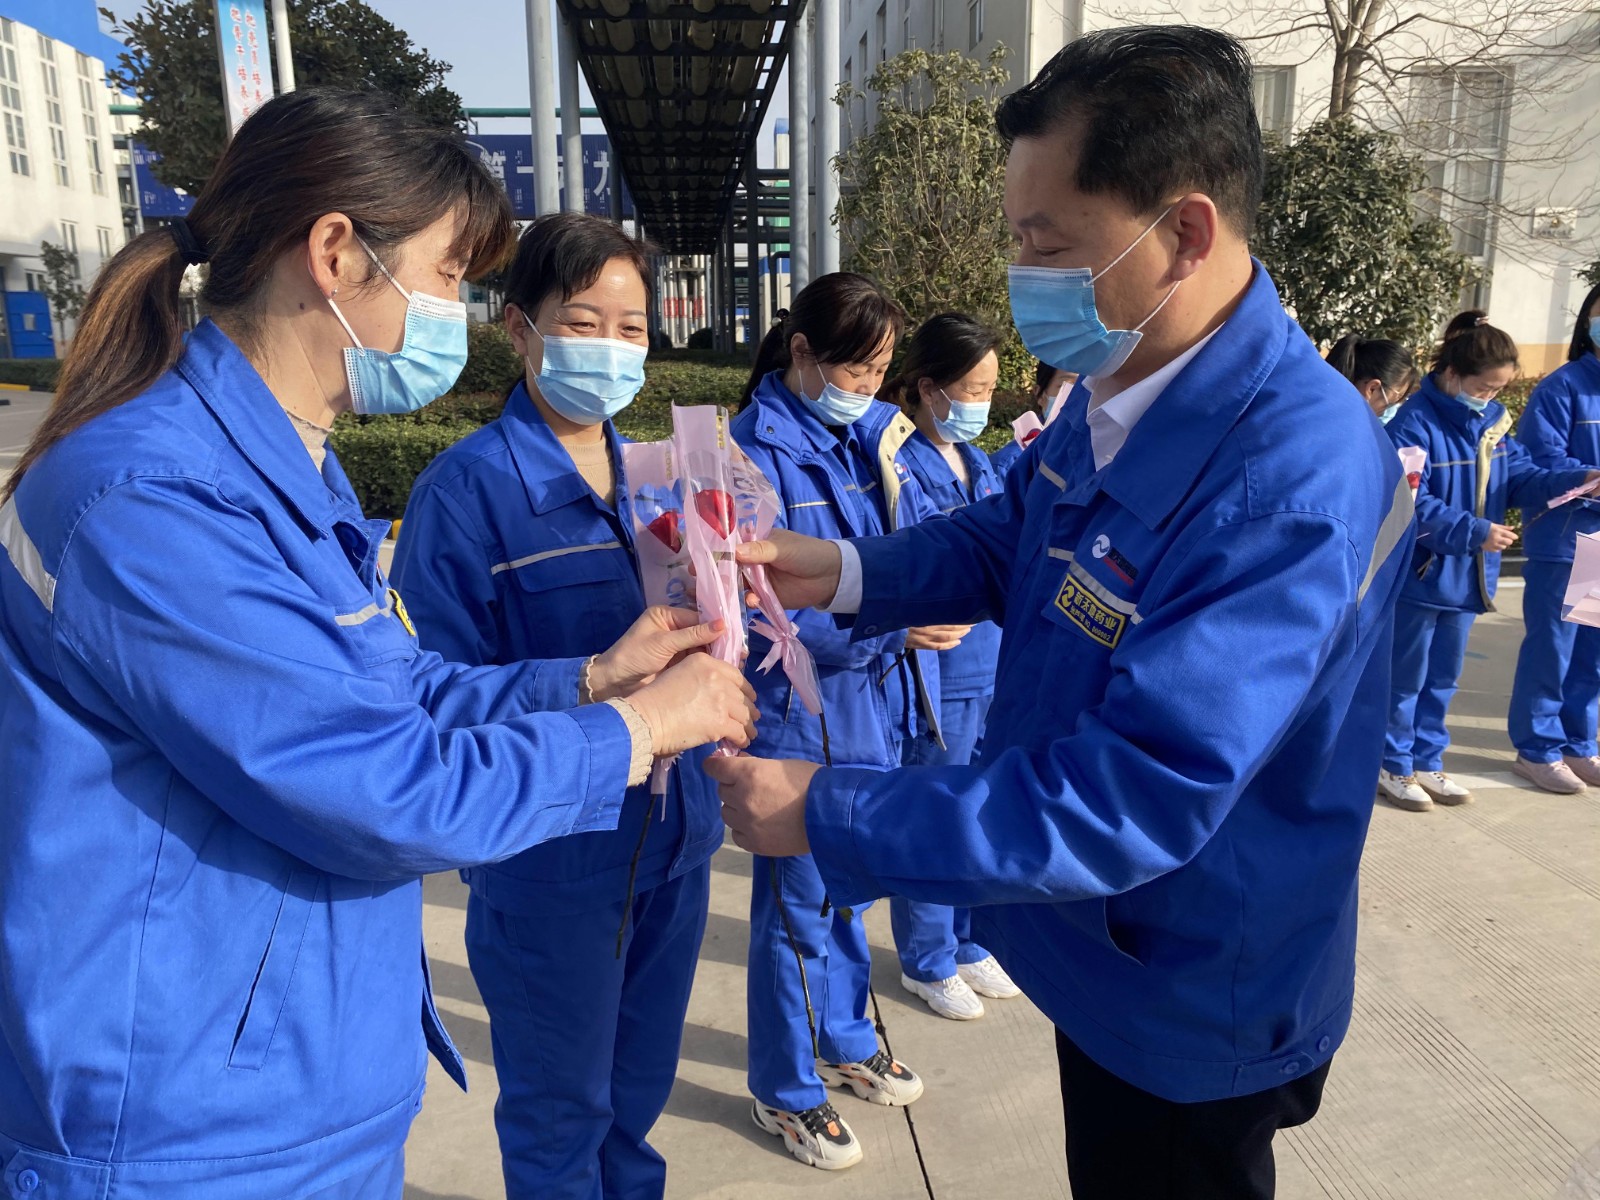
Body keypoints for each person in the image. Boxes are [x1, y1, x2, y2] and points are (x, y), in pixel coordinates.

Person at [0, 89, 756, 1200]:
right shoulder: (157, 499)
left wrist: (593, 679)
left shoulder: (282, 466)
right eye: (449, 276)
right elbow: (379, 784)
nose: (456, 310)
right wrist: (635, 729)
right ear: (336, 254)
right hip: (187, 1123)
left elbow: (392, 687)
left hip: (285, 1079)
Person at [710, 27, 1425, 1198]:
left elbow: (1137, 790)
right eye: (1017, 239)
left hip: (1187, 977)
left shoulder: (1282, 477)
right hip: (1101, 940)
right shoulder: (1131, 383)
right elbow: (1012, 536)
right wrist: (838, 570)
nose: (1022, 275)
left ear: (1183, 232)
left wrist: (827, 811)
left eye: (1047, 244)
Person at [390, 213, 720, 1199]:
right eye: (583, 323)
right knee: (559, 1120)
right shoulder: (466, 494)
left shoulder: (663, 478)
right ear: (519, 328)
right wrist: (591, 678)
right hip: (551, 868)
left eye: (631, 329)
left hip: (675, 840)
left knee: (638, 1100)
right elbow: (428, 705)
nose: (610, 348)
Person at [730, 273, 937, 1171]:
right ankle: (785, 1088)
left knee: (851, 890)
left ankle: (847, 1038)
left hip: (871, 710)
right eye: (856, 368)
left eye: (882, 371)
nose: (869, 386)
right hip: (799, 715)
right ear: (803, 353)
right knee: (795, 913)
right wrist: (892, 623)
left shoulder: (871, 440)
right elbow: (756, 610)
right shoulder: (752, 455)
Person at [1379, 311, 1597, 810]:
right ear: (1453, 374)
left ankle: (1427, 760)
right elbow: (1409, 500)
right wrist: (1475, 531)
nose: (1491, 397)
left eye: (1499, 389)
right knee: (1406, 678)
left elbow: (1521, 477)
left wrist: (1579, 479)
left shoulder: (1491, 426)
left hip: (1468, 575)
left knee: (1443, 679)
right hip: (1424, 572)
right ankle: (1394, 763)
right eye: (1485, 387)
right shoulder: (1413, 424)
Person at [877, 312, 1021, 1020]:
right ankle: (927, 956)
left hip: (991, 663)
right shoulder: (896, 463)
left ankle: (967, 936)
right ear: (929, 388)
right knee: (937, 812)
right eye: (972, 388)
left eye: (990, 389)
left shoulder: (980, 460)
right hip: (940, 674)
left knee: (982, 808)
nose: (982, 402)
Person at [1508, 283, 1600, 793]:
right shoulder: (1562, 388)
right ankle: (1537, 748)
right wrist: (1589, 476)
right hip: (1568, 539)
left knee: (1591, 653)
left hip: (1598, 545)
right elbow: (1539, 463)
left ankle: (1578, 742)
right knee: (1553, 650)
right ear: (1587, 322)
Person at [991, 358, 1077, 473]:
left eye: (1085, 387)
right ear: (1039, 394)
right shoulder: (1009, 465)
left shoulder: (1095, 455)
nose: (1078, 394)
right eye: (1068, 385)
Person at [1326, 334, 1416, 424]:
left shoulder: (1326, 404)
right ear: (1372, 388)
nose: (1385, 413)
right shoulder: (1347, 426)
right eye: (1390, 404)